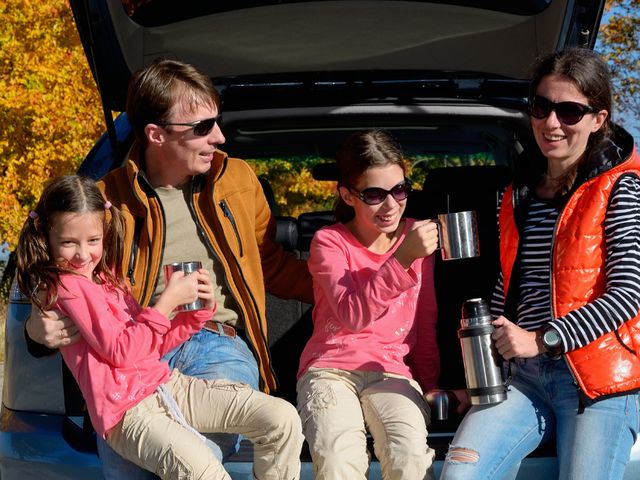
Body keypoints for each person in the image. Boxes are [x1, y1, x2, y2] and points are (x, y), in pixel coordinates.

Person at [24, 59, 312, 478]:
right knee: (156, 463)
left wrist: (350, 291)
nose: (219, 136)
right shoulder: (105, 201)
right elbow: (62, 283)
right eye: (203, 127)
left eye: (217, 122)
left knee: (193, 458)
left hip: (218, 342)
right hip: (127, 361)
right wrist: (36, 330)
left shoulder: (238, 179)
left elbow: (272, 264)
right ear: (156, 134)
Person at [16, 175, 304, 479]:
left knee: (281, 419)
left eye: (93, 241)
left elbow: (149, 347)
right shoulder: (67, 287)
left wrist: (193, 316)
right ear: (46, 239)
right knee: (204, 471)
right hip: (127, 411)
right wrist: (166, 303)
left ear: (105, 233)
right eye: (68, 243)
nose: (83, 254)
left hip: (165, 385)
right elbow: (121, 351)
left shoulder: (106, 281)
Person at [440, 48, 640, 480]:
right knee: (459, 474)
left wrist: (544, 338)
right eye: (541, 106)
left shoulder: (621, 187)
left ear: (598, 119)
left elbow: (629, 293)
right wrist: (484, 376)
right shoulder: (519, 192)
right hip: (525, 379)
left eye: (569, 112)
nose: (551, 123)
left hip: (597, 382)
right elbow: (510, 284)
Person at [296, 130, 442, 480]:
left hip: (391, 369)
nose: (391, 205)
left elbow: (423, 321)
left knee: (409, 456)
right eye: (375, 194)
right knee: (337, 459)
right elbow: (353, 315)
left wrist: (430, 384)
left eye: (400, 190)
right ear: (347, 195)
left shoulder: (416, 237)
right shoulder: (329, 242)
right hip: (329, 369)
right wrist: (403, 258)